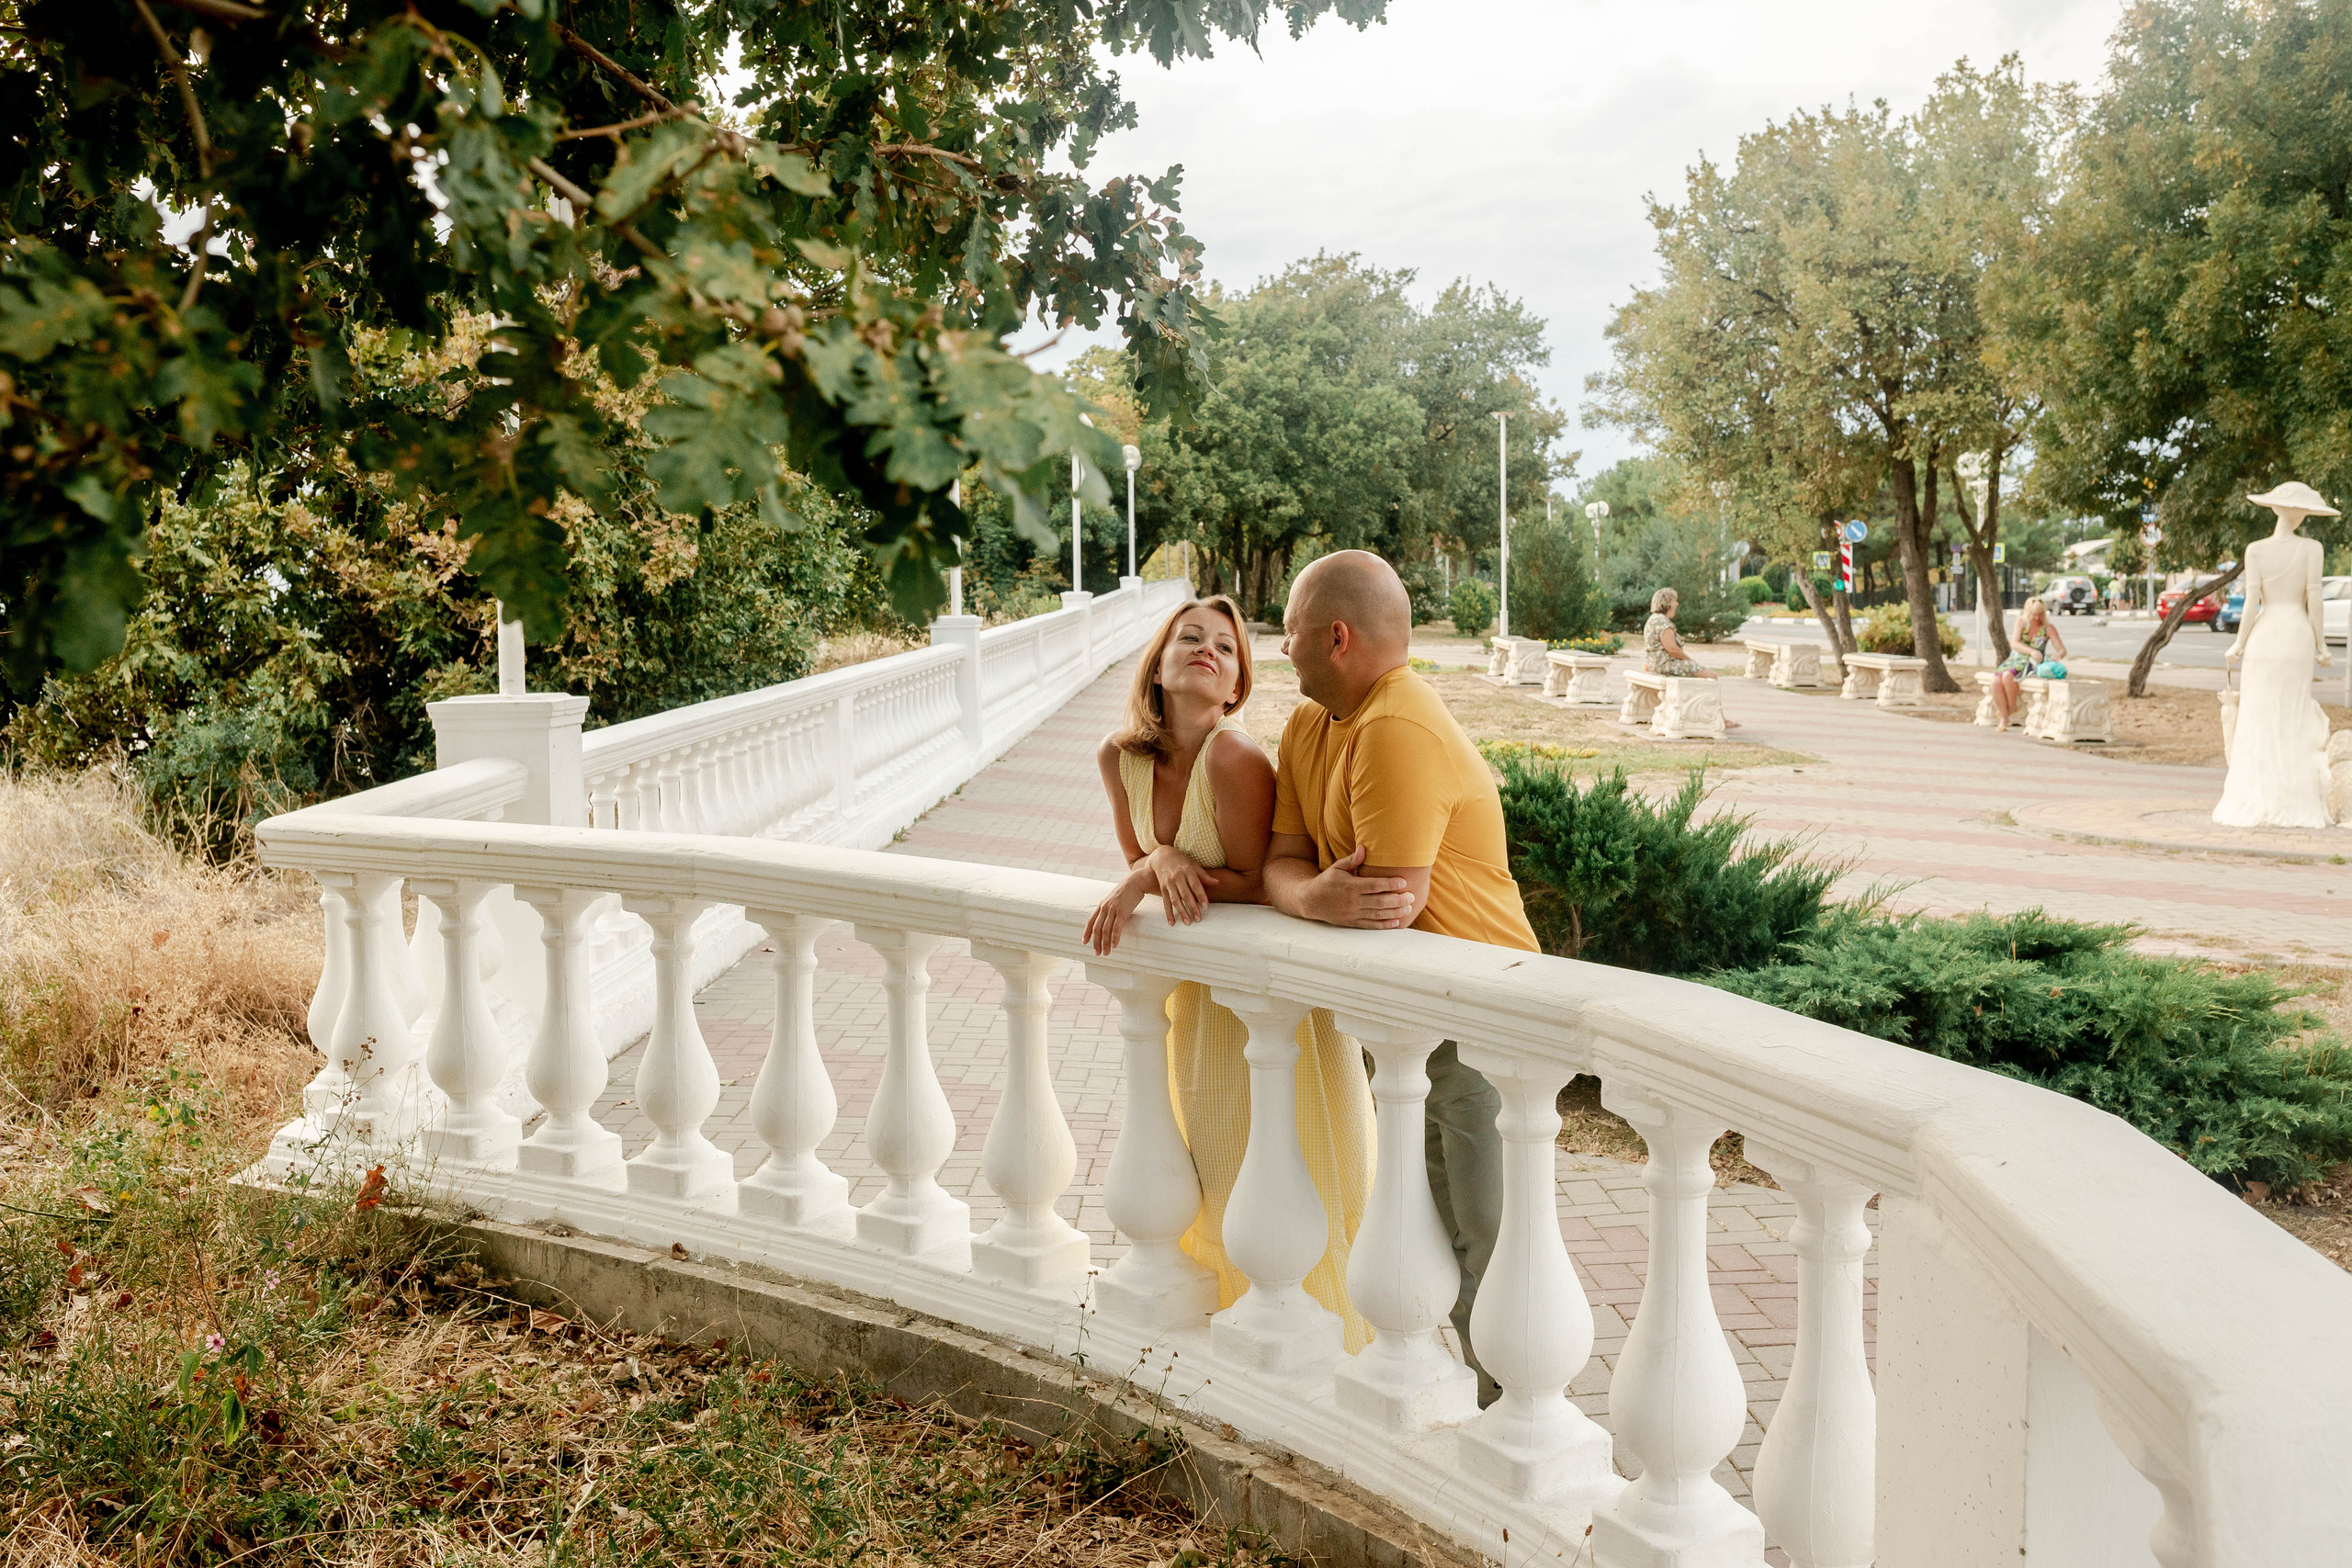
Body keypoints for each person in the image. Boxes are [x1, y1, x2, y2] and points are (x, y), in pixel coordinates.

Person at [1262, 549, 1539, 1404]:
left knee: (1492, 1235)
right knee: (1436, 1231)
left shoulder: (1396, 724)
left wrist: (1307, 894)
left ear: (1335, 636)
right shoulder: (1312, 726)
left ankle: (1520, 1421)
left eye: (1292, 632)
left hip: (1487, 1018)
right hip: (1413, 1025)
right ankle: (1480, 1406)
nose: (1282, 649)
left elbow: (1384, 904)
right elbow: (1287, 866)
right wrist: (1310, 894)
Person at [1083, 595, 1377, 1351]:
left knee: (1297, 1172)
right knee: (1217, 1173)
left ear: (1238, 684)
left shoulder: (1233, 755)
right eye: (1191, 637)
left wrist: (1161, 865)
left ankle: (1326, 1350)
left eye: (1226, 646)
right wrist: (1158, 860)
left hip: (1269, 1007)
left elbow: (1259, 877)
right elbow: (1142, 866)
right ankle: (1236, 1341)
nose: (1208, 649)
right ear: (1158, 663)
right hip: (1197, 1008)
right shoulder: (1119, 760)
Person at [2216, 482, 2337, 829]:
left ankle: (2258, 795)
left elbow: (2252, 603)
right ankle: (2292, 797)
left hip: (2264, 637)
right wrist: (2321, 644)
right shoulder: (2313, 549)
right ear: (2295, 513)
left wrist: (2240, 644)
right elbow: (2314, 598)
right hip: (2294, 635)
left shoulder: (2255, 550)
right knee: (2291, 714)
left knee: (2260, 714)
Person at [1643, 586, 1739, 728]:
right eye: (1675, 601)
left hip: (1656, 664)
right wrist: (1688, 659)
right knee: (1711, 676)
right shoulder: (1662, 622)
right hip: (1666, 665)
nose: (1677, 604)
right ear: (1667, 603)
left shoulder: (1653, 619)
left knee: (1702, 676)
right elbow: (1672, 649)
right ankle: (1718, 719)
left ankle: (1702, 715)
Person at [1990, 596, 2066, 733]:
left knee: (2008, 676)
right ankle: (2004, 717)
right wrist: (2031, 651)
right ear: (2028, 612)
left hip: (2031, 663)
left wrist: (2058, 655)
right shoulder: (2021, 622)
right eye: (2033, 615)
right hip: (2016, 659)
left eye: (2040, 615)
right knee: (1996, 681)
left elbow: (2061, 649)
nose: (2036, 618)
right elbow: (2015, 644)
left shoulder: (2048, 628)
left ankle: (2011, 708)